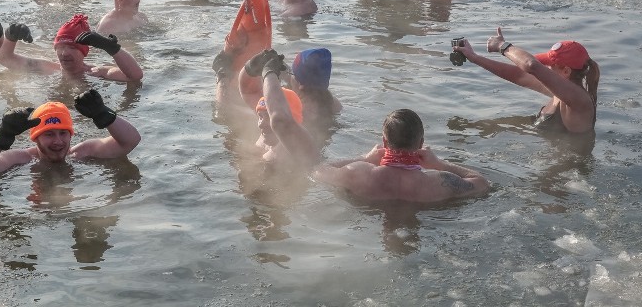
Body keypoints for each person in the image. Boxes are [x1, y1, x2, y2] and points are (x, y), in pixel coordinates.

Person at [313, 109, 490, 203]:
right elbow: (481, 182)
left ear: (384, 142)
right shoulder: (440, 181)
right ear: (421, 143)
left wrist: (365, 159)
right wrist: (439, 164)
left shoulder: (359, 173)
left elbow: (318, 171)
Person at [453, 28, 600, 134]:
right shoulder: (560, 91)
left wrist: (502, 46)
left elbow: (531, 65)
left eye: (550, 65)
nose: (546, 67)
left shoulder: (579, 100)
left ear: (566, 71)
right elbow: (519, 75)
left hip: (569, 173)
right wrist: (474, 58)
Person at [0, 89, 141, 178]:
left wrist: (104, 114)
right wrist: (1, 135)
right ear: (35, 137)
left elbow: (131, 141)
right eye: (49, 134)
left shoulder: (82, 152)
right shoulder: (22, 159)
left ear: (71, 134)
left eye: (63, 133)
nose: (58, 141)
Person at [0, 14, 143, 82]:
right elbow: (2, 58)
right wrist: (10, 36)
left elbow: (135, 76)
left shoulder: (98, 73)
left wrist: (112, 49)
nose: (64, 53)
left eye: (72, 47)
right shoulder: (48, 68)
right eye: (60, 47)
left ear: (83, 51)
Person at [242, 49, 320, 169]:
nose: (261, 124)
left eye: (268, 116)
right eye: (260, 116)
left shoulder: (300, 145)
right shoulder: (265, 137)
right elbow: (248, 91)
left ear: (292, 118)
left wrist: (268, 73)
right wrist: (250, 66)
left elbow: (280, 120)